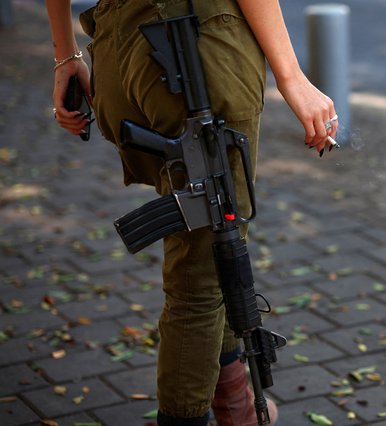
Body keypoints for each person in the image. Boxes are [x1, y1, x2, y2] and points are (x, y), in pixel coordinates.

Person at [45, 0, 339, 425]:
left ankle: (235, 404)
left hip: (116, 51)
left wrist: (65, 57)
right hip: (193, 45)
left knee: (218, 240)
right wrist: (292, 77)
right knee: (197, 280)